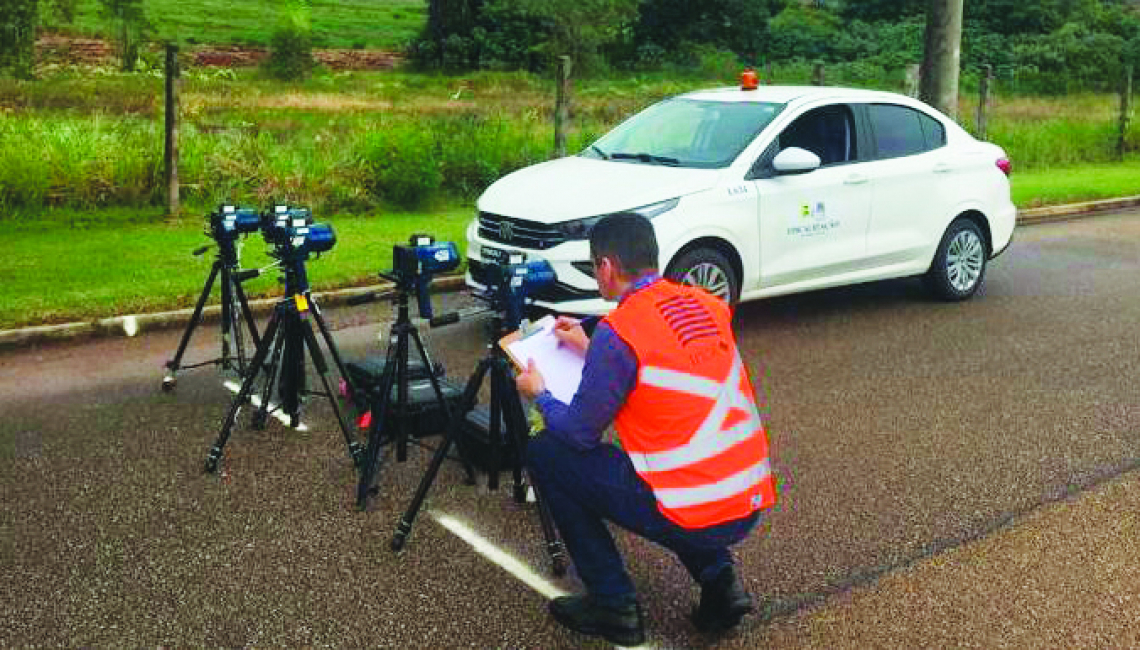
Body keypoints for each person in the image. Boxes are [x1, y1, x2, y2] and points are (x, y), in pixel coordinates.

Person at [515, 212, 777, 646]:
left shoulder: (620, 332)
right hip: (747, 500)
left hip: (694, 512)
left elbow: (580, 432)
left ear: (606, 267)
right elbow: (666, 356)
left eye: (593, 267)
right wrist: (592, 345)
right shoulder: (707, 305)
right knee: (685, 466)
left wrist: (539, 392)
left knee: (548, 452)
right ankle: (720, 581)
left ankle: (612, 603)